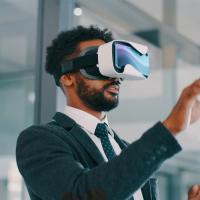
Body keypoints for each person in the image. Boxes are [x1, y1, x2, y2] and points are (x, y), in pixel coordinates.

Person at [16, 26, 200, 200]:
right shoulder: (39, 140)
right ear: (68, 77)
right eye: (100, 65)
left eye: (116, 67)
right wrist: (169, 129)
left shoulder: (126, 150)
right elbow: (82, 195)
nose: (115, 77)